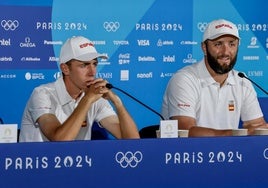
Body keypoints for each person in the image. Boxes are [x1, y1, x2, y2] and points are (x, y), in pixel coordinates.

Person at [19, 36, 140, 142]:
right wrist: (87, 100)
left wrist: (117, 103)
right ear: (65, 68)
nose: (92, 72)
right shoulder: (42, 94)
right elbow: (60, 140)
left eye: (95, 64)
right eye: (84, 65)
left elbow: (132, 142)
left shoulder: (94, 97)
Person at [161, 19, 267, 137]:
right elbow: (185, 131)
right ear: (204, 48)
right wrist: (235, 134)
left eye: (232, 44)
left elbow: (257, 126)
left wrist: (256, 131)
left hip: (230, 152)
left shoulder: (242, 80)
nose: (226, 52)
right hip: (189, 153)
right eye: (218, 44)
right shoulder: (184, 79)